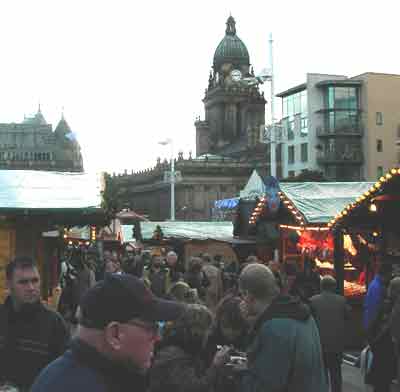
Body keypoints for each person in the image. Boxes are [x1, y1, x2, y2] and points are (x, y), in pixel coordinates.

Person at [31, 273, 185, 392]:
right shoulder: (76, 385)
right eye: (152, 328)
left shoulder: (93, 375)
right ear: (115, 334)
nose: (158, 337)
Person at [239, 263, 327, 392]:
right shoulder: (302, 314)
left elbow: (267, 385)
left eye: (242, 295)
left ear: (248, 295)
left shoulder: (273, 327)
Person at [0, 256, 69, 391]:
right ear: (9, 284)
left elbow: (65, 375)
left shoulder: (54, 324)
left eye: (35, 281)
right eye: (23, 282)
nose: (31, 287)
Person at [149, 304, 231, 392]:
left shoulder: (184, 348)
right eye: (207, 329)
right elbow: (194, 388)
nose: (209, 334)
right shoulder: (175, 355)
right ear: (196, 330)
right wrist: (216, 365)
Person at [310, 276, 350, 392]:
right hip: (336, 344)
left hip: (319, 343)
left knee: (321, 374)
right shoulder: (341, 301)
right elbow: (348, 316)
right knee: (336, 373)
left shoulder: (313, 301)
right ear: (333, 287)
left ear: (321, 286)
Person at [363, 263, 392, 331]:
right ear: (385, 274)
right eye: (389, 275)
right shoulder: (377, 287)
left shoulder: (377, 284)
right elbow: (374, 310)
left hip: (370, 321)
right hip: (372, 323)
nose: (389, 278)